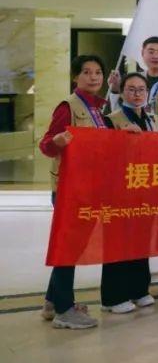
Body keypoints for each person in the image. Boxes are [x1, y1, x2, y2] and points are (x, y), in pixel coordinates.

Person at [108, 35, 158, 277]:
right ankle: (136, 265)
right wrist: (114, 90)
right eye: (150, 51)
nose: (155, 55)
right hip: (135, 165)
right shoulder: (134, 79)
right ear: (142, 53)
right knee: (139, 217)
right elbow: (116, 116)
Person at [38, 55, 106, 329]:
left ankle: (52, 302)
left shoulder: (98, 108)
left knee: (72, 246)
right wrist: (56, 141)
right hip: (70, 189)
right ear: (75, 77)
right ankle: (64, 311)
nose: (93, 77)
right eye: (86, 72)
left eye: (98, 72)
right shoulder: (69, 106)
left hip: (89, 187)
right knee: (68, 248)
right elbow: (46, 145)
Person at [99, 72, 157, 314]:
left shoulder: (152, 119)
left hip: (144, 188)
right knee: (118, 242)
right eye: (131, 89)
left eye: (141, 89)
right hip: (119, 190)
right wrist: (123, 139)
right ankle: (113, 297)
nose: (137, 94)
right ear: (122, 92)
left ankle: (139, 289)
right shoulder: (110, 119)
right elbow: (103, 153)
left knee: (140, 239)